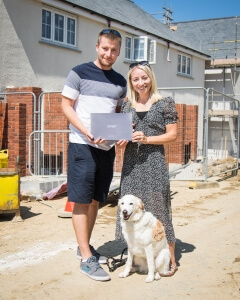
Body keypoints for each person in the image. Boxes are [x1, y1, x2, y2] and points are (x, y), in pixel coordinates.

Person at [61, 29, 127, 281]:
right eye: (105, 48)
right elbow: (65, 106)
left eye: (114, 50)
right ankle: (87, 258)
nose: (109, 54)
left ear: (118, 52)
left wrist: (123, 132)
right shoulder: (79, 72)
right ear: (97, 46)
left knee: (96, 200)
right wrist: (86, 131)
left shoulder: (120, 81)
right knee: (81, 199)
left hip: (106, 149)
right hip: (82, 143)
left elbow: (118, 114)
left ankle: (84, 247)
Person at [115, 61, 178, 276]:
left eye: (144, 78)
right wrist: (121, 140)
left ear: (151, 78)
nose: (141, 83)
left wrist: (148, 138)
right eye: (136, 79)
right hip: (131, 165)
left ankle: (170, 258)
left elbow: (172, 135)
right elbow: (120, 135)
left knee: (160, 211)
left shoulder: (165, 103)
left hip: (154, 165)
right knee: (130, 211)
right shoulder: (126, 106)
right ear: (131, 82)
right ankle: (135, 257)